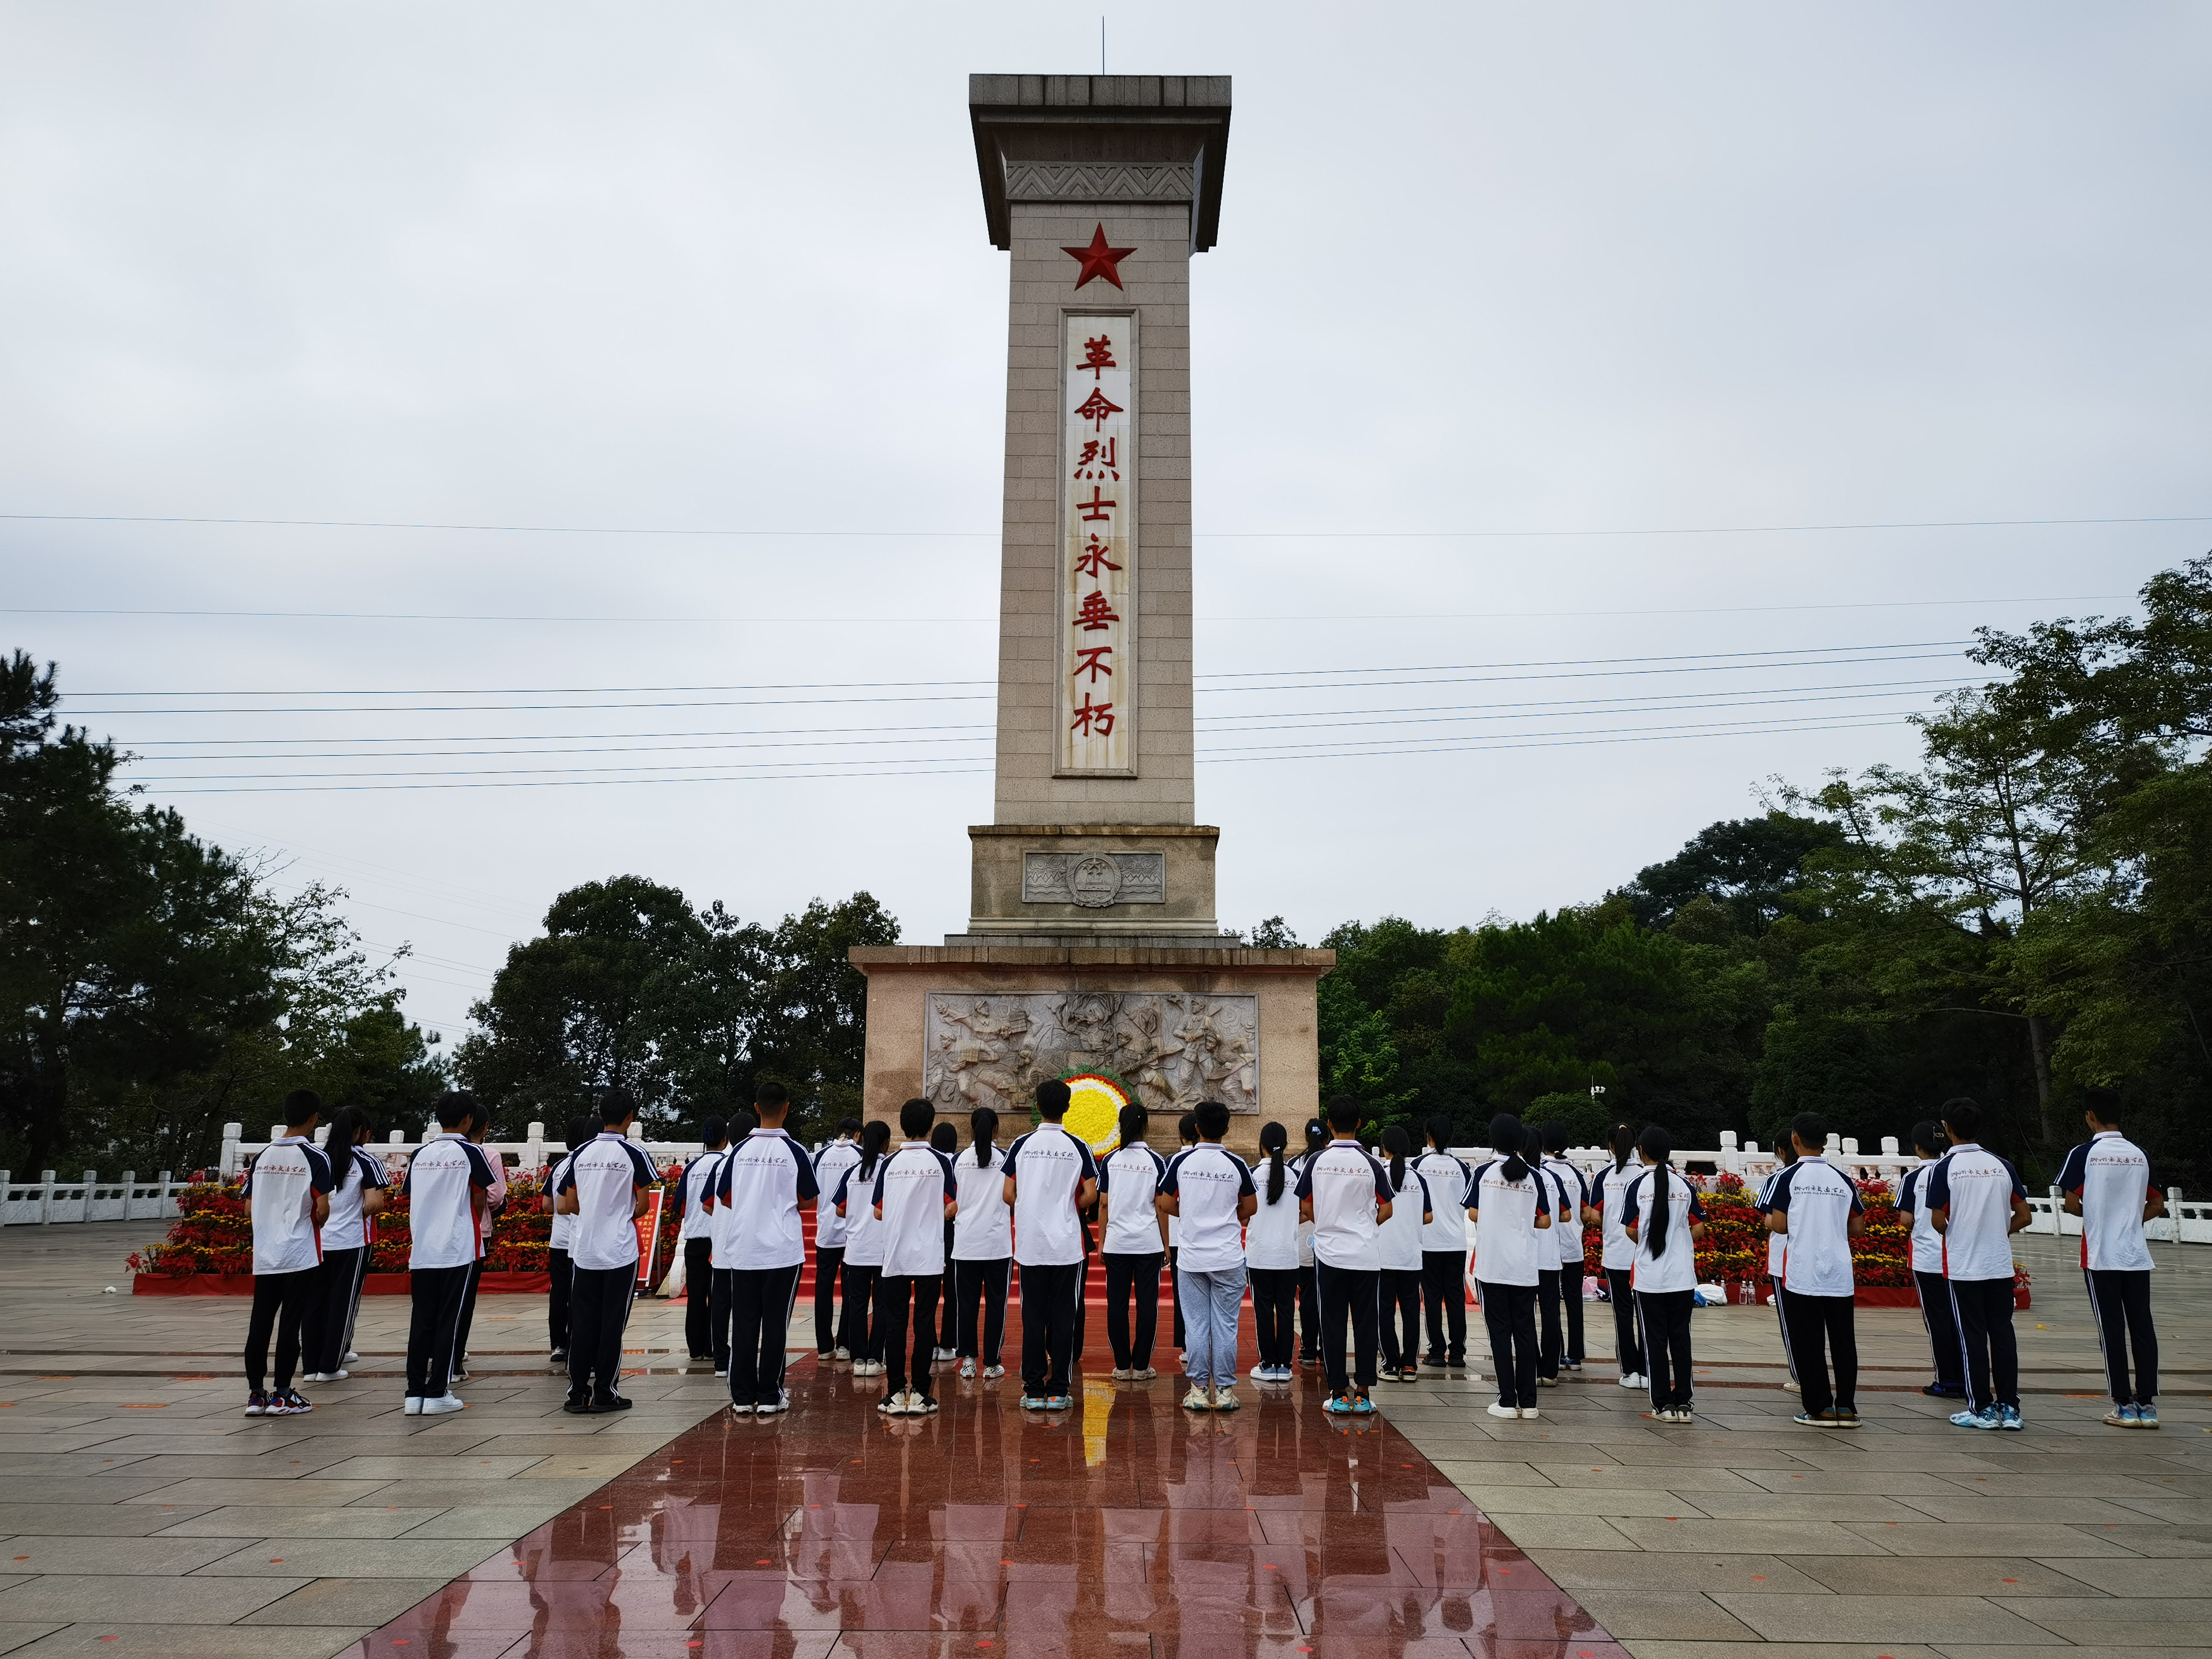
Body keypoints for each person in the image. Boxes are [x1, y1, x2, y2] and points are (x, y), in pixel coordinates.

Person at [707, 1087, 819, 1414]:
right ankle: (770, 1395)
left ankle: (742, 1397)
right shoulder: (795, 1151)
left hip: (744, 1249)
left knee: (743, 1323)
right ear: (787, 1108)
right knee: (775, 1325)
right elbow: (809, 1200)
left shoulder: (738, 1152)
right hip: (782, 1252)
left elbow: (724, 1199)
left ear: (757, 1107)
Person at [2058, 1089, 2164, 1429]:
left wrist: (2101, 1218)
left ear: (2090, 1116)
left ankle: (2123, 1405)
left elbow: (2072, 1203)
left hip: (2101, 1255)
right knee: (2143, 1328)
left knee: (2112, 1329)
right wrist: (2129, 1221)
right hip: (2135, 1255)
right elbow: (2157, 1204)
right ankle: (2147, 1404)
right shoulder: (2139, 1153)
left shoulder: (2084, 1153)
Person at [1926, 1097, 2032, 1431]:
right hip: (1999, 1264)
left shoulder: (1944, 1168)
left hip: (1964, 1266)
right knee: (2003, 1334)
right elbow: (2024, 1215)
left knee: (1971, 1336)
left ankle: (1981, 1408)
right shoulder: (2002, 1165)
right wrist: (1998, 1231)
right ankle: (2010, 1409)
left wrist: (1961, 1230)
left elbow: (1938, 1220)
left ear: (1947, 1129)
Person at [554, 1088, 658, 1415]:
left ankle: (576, 1393)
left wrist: (595, 1212)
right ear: (630, 1117)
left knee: (583, 1322)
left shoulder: (580, 1154)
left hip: (585, 1250)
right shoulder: (634, 1153)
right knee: (612, 1324)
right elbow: (643, 1204)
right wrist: (618, 1215)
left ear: (601, 1115)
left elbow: (569, 1204)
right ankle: (605, 1393)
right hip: (619, 1252)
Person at [1762, 1112, 1867, 1428]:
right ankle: (1847, 1407)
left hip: (1804, 1271)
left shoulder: (1788, 1177)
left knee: (1808, 1343)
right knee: (1843, 1342)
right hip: (1838, 1271)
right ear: (1825, 1143)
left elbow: (1779, 1225)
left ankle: (1820, 1408)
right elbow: (1858, 1227)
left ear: (1795, 1140)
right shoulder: (1842, 1179)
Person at [1296, 1095, 1395, 1417]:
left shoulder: (1316, 1161)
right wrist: (1364, 1225)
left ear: (1329, 1125)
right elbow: (1387, 1209)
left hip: (1330, 1254)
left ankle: (1339, 1393)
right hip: (1365, 1254)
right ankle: (1364, 1394)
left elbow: (1306, 1207)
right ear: (1360, 1124)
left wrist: (1329, 1224)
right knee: (1367, 1322)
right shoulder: (1372, 1163)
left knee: (1333, 1322)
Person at [1004, 1078, 1100, 1411]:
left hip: (1031, 1244)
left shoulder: (1021, 1145)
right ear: (1067, 1107)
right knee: (1063, 1319)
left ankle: (1032, 1389)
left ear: (1037, 1106)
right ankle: (1059, 1389)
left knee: (1032, 1318)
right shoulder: (1078, 1146)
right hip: (1066, 1246)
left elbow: (1008, 1194)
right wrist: (1068, 1205)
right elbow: (1091, 1193)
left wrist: (1033, 1204)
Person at [242, 1088, 335, 1416]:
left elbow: (248, 1207)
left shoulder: (262, 1156)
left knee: (260, 1323)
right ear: (313, 1119)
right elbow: (322, 1210)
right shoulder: (316, 1157)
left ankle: (256, 1395)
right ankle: (282, 1394)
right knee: (290, 1323)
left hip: (266, 1253)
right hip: (298, 1253)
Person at [1161, 1099, 1257, 1410]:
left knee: (1197, 1325)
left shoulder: (1181, 1162)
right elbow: (1251, 1207)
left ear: (1197, 1128)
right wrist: (1228, 1217)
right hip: (1228, 1257)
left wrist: (1189, 1215)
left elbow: (1164, 1203)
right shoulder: (1236, 1164)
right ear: (1226, 1129)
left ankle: (1200, 1390)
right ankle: (1226, 1392)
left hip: (1191, 1259)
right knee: (1226, 1325)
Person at [404, 1091, 496, 1415]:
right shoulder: (472, 1152)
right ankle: (438, 1391)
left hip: (424, 1247)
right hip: (458, 1247)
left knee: (422, 1320)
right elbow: (480, 1197)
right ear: (469, 1120)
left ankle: (414, 1393)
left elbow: (413, 1194)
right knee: (450, 1321)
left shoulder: (420, 1154)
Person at [869, 1098, 959, 1416]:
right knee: (924, 1324)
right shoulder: (941, 1163)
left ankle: (894, 1393)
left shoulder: (889, 1163)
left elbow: (878, 1211)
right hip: (929, 1256)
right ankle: (921, 1393)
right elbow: (952, 1207)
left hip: (895, 1253)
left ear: (903, 1126)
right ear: (930, 1126)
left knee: (895, 1323)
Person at [1468, 1114, 1552, 1419]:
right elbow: (1544, 1221)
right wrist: (1519, 1220)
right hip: (1524, 1265)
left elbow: (1473, 1214)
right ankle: (1529, 1403)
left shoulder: (1483, 1173)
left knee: (1500, 1334)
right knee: (1526, 1332)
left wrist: (1498, 1217)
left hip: (1493, 1265)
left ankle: (1507, 1401)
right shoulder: (1534, 1176)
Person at [1622, 1125, 1707, 1424]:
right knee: (1680, 1339)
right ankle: (1684, 1401)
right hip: (1681, 1276)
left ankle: (1663, 1405)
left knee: (1654, 1342)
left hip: (1650, 1278)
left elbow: (1631, 1229)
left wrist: (1651, 1242)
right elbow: (1698, 1226)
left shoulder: (1636, 1186)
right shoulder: (1684, 1186)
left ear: (1642, 1152)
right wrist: (1678, 1243)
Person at [302, 1104, 386, 1383]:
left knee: (314, 1301)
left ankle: (311, 1365)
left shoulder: (318, 1158)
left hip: (317, 1240)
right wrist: (352, 1214)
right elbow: (375, 1203)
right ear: (361, 1132)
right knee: (343, 1302)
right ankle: (330, 1365)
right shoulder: (366, 1161)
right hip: (351, 1242)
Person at [1098, 1102, 1168, 1380]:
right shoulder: (1156, 1161)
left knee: (1116, 1304)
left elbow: (1103, 1205)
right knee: (1147, 1304)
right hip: (1148, 1243)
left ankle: (1122, 1365)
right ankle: (1141, 1366)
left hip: (1117, 1243)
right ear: (1145, 1127)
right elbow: (1161, 1206)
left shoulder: (1111, 1161)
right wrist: (1166, 1243)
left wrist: (1103, 1241)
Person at [1896, 1120, 1964, 1398]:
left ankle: (1948, 1379)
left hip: (1927, 1260)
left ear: (1917, 1148)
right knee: (1961, 1319)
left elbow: (1906, 1220)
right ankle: (1967, 1376)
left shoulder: (1913, 1179)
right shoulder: (1953, 1171)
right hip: (1959, 1257)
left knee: (1938, 1321)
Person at [949, 1106, 1012, 1381]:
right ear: (997, 1129)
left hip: (965, 1242)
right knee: (996, 1304)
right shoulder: (1006, 1160)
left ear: (972, 1129)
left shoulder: (958, 1161)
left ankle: (967, 1361)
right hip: (997, 1243)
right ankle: (992, 1363)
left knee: (966, 1304)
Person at [450, 1101, 508, 1386]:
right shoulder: (486, 1154)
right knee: (463, 1299)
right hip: (474, 1232)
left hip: (435, 1236)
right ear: (483, 1126)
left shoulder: (432, 1153)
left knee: (435, 1300)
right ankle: (454, 1359)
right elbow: (495, 1196)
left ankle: (436, 1355)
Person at [1413, 1118, 1473, 1373]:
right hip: (1455, 1241)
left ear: (1429, 1137)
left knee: (1433, 1298)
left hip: (1429, 1241)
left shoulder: (1418, 1165)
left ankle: (1436, 1351)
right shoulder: (1463, 1168)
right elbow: (1469, 1203)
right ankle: (1457, 1352)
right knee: (1456, 1297)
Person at [834, 1122, 893, 1375]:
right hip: (882, 1249)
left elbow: (839, 1208)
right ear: (886, 1143)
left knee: (857, 1304)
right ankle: (876, 1359)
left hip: (856, 1249)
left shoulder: (854, 1172)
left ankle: (858, 1359)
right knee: (882, 1304)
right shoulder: (890, 1170)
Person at [1375, 1124, 1433, 1383]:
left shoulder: (1378, 1173)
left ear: (1384, 1148)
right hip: (1411, 1256)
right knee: (1411, 1312)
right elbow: (1428, 1217)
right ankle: (1410, 1365)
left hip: (1382, 1256)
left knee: (1384, 1312)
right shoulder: (1419, 1179)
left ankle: (1390, 1365)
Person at [1245, 1121, 1302, 1382]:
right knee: (1287, 1310)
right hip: (1288, 1255)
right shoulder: (1297, 1178)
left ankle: (1268, 1364)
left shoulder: (1252, 1174)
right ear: (1286, 1145)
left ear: (1262, 1145)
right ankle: (1285, 1365)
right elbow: (1305, 1213)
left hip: (1260, 1255)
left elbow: (1245, 1213)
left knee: (1264, 1310)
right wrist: (1288, 1222)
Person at [1593, 1121, 1645, 1390]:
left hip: (1616, 1255)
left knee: (1623, 1314)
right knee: (1646, 1315)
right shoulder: (1647, 1176)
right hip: (1645, 1257)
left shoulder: (1605, 1176)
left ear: (1610, 1146)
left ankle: (1630, 1372)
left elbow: (1593, 1214)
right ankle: (1647, 1372)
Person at [1536, 1122, 1590, 1381]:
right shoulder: (1576, 1173)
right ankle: (1576, 1355)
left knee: (1550, 1303)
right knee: (1574, 1301)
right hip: (1574, 1245)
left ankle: (1555, 1354)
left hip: (1551, 1246)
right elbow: (1584, 1211)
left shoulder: (1543, 1173)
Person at [677, 1118, 731, 1364]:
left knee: (696, 1295)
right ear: (724, 1140)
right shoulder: (725, 1165)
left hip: (694, 1239)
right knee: (717, 1296)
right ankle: (714, 1347)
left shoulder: (691, 1168)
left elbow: (681, 1207)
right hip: (717, 1238)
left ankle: (695, 1347)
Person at [544, 1112, 595, 1367]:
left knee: (559, 1292)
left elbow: (547, 1204)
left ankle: (558, 1345)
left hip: (558, 1241)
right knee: (579, 1296)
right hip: (579, 1241)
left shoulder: (558, 1167)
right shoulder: (587, 1163)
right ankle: (576, 1342)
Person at [812, 1114, 862, 1361]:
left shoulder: (820, 1157)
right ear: (858, 1135)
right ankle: (844, 1344)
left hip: (826, 1231)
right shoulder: (861, 1155)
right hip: (852, 1230)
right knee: (851, 1289)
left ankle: (823, 1346)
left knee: (824, 1288)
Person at [1757, 1135, 1803, 1395]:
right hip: (1823, 1260)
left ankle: (1801, 1375)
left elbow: (1771, 1223)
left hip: (1785, 1259)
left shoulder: (1778, 1179)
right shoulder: (1832, 1175)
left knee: (1791, 1322)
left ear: (1783, 1150)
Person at [1293, 1116, 1327, 1370]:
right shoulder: (1332, 1162)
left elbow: (1296, 1205)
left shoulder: (1295, 1164)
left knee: (1306, 1297)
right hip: (1330, 1240)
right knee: (1329, 1298)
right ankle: (1327, 1350)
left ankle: (1307, 1349)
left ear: (1306, 1137)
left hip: (1304, 1238)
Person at [929, 1120, 962, 1359]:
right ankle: (948, 1345)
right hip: (952, 1230)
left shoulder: (931, 1162)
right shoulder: (957, 1162)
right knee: (952, 1290)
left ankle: (930, 1343)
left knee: (928, 1290)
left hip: (930, 1230)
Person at [1166, 1111, 1199, 1359]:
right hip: (1206, 1237)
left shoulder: (1173, 1161)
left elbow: (1165, 1201)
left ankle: (1188, 1345)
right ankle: (1204, 1342)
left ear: (1181, 1134)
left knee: (1183, 1295)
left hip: (1179, 1237)